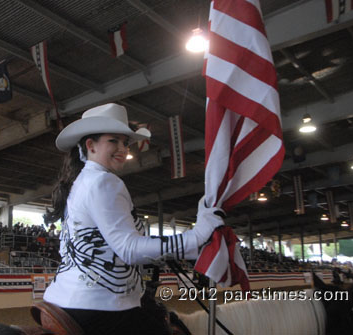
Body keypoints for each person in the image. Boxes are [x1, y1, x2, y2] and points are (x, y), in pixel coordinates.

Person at [42, 103, 224, 335]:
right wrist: (197, 237)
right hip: (99, 304)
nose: (122, 148)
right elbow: (128, 249)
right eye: (113, 141)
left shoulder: (81, 183)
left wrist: (186, 250)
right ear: (91, 145)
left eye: (125, 143)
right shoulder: (104, 182)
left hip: (67, 299)